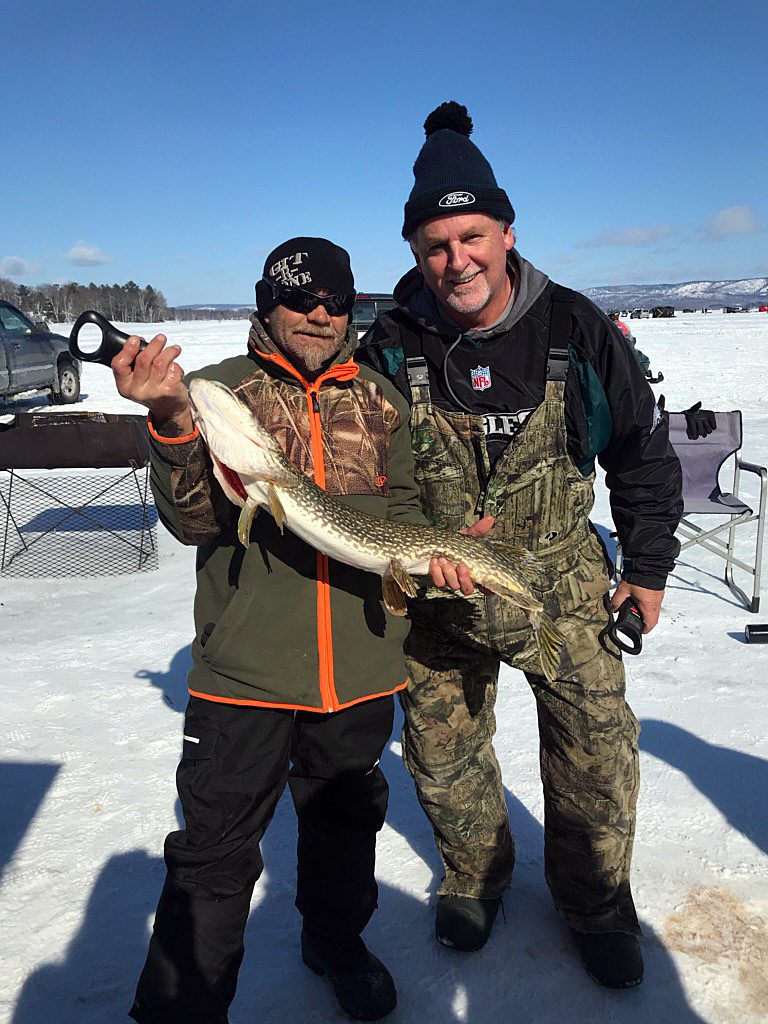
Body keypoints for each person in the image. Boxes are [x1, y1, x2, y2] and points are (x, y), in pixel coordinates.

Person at [358, 102, 684, 988]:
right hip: (439, 584)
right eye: (434, 244)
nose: (455, 261)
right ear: (416, 253)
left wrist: (647, 570)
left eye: (471, 236)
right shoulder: (391, 344)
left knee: (594, 749)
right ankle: (475, 875)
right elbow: (360, 475)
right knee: (442, 750)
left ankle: (596, 902)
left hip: (564, 583)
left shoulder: (576, 328)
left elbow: (641, 455)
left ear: (505, 232)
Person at [114, 237, 434, 1023]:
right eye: (300, 299)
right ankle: (182, 1009)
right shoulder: (222, 390)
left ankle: (334, 942)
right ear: (268, 302)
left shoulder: (382, 401)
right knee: (215, 857)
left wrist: (438, 556)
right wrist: (169, 421)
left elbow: (403, 519)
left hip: (359, 669)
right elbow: (195, 521)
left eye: (334, 302)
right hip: (245, 674)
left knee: (343, 828)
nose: (319, 314)